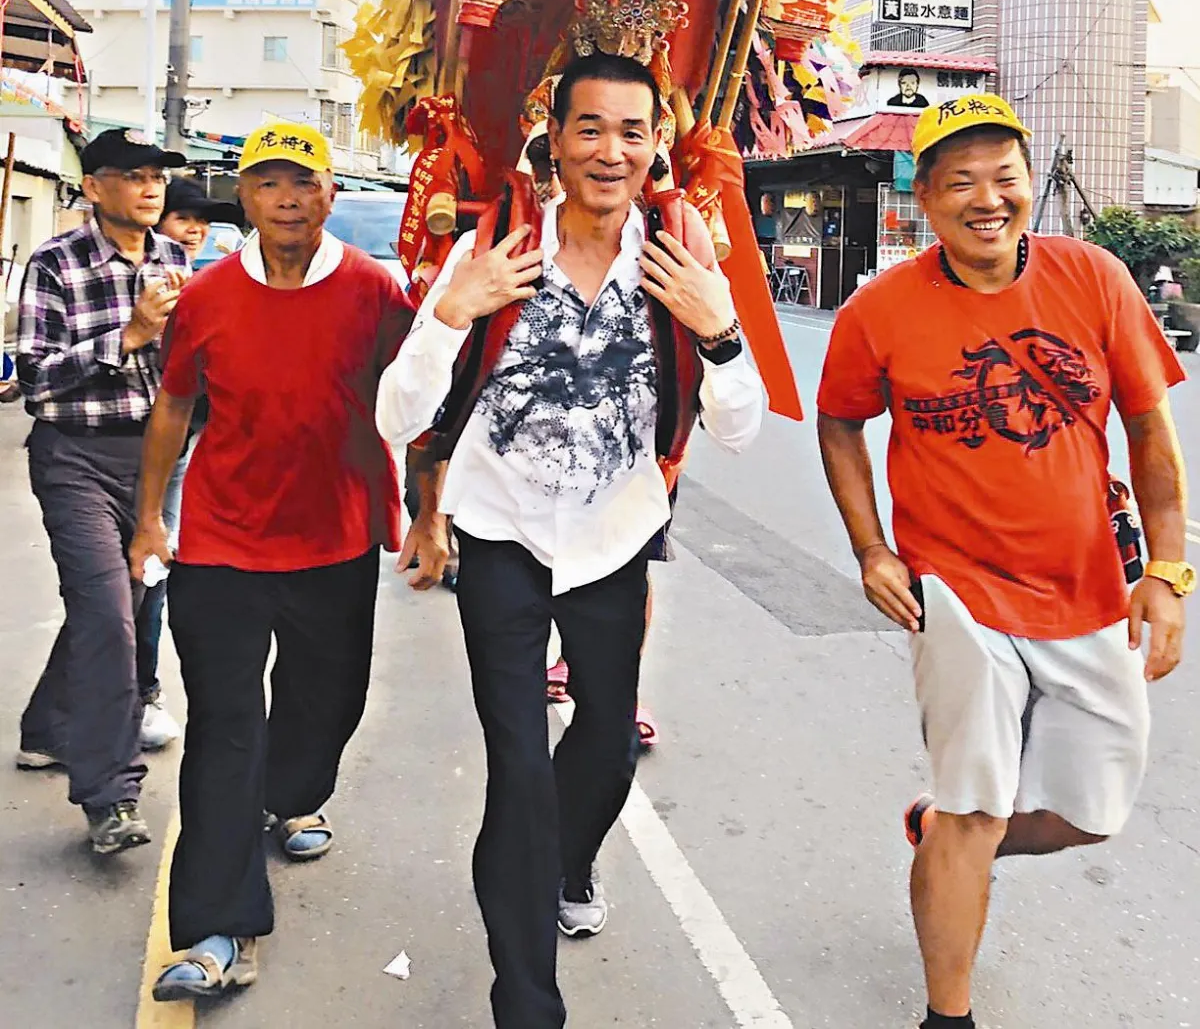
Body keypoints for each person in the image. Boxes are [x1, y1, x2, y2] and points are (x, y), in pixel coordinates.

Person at [377, 51, 763, 1029]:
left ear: (656, 146)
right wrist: (450, 314)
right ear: (555, 135)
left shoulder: (681, 256)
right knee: (516, 762)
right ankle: (528, 1000)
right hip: (499, 532)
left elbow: (739, 427)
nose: (611, 150)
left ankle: (569, 858)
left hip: (613, 538)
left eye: (633, 132)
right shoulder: (498, 253)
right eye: (590, 127)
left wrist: (718, 332)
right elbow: (396, 413)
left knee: (604, 747)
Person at [816, 95, 1192, 1029]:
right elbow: (838, 422)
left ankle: (944, 835)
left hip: (1089, 593)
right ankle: (949, 1014)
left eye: (1004, 178)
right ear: (928, 201)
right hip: (955, 596)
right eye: (960, 183)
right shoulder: (882, 309)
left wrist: (1171, 574)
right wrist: (871, 548)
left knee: (1093, 811)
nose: (987, 199)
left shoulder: (1095, 277)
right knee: (976, 802)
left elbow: (1149, 429)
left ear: (1030, 186)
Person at [128, 121, 414, 1003]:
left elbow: (420, 400)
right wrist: (148, 521)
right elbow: (174, 408)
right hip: (223, 537)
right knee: (223, 725)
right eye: (269, 184)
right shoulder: (207, 296)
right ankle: (219, 926)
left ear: (330, 194)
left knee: (329, 698)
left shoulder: (376, 292)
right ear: (243, 200)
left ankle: (293, 793)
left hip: (337, 534)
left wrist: (432, 512)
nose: (288, 198)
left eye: (304, 182)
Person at [15, 125, 189, 854]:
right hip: (76, 460)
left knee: (119, 608)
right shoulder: (54, 263)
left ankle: (47, 730)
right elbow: (33, 376)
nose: (151, 188)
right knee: (110, 622)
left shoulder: (178, 260)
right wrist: (127, 339)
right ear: (94, 187)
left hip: (158, 463)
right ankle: (110, 796)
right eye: (133, 174)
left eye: (157, 175)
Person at [135, 178, 244, 751]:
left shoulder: (210, 283)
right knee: (127, 586)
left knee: (151, 574)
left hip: (181, 451)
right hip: (121, 448)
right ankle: (136, 694)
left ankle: (126, 696)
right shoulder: (155, 286)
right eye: (183, 219)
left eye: (203, 221)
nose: (195, 230)